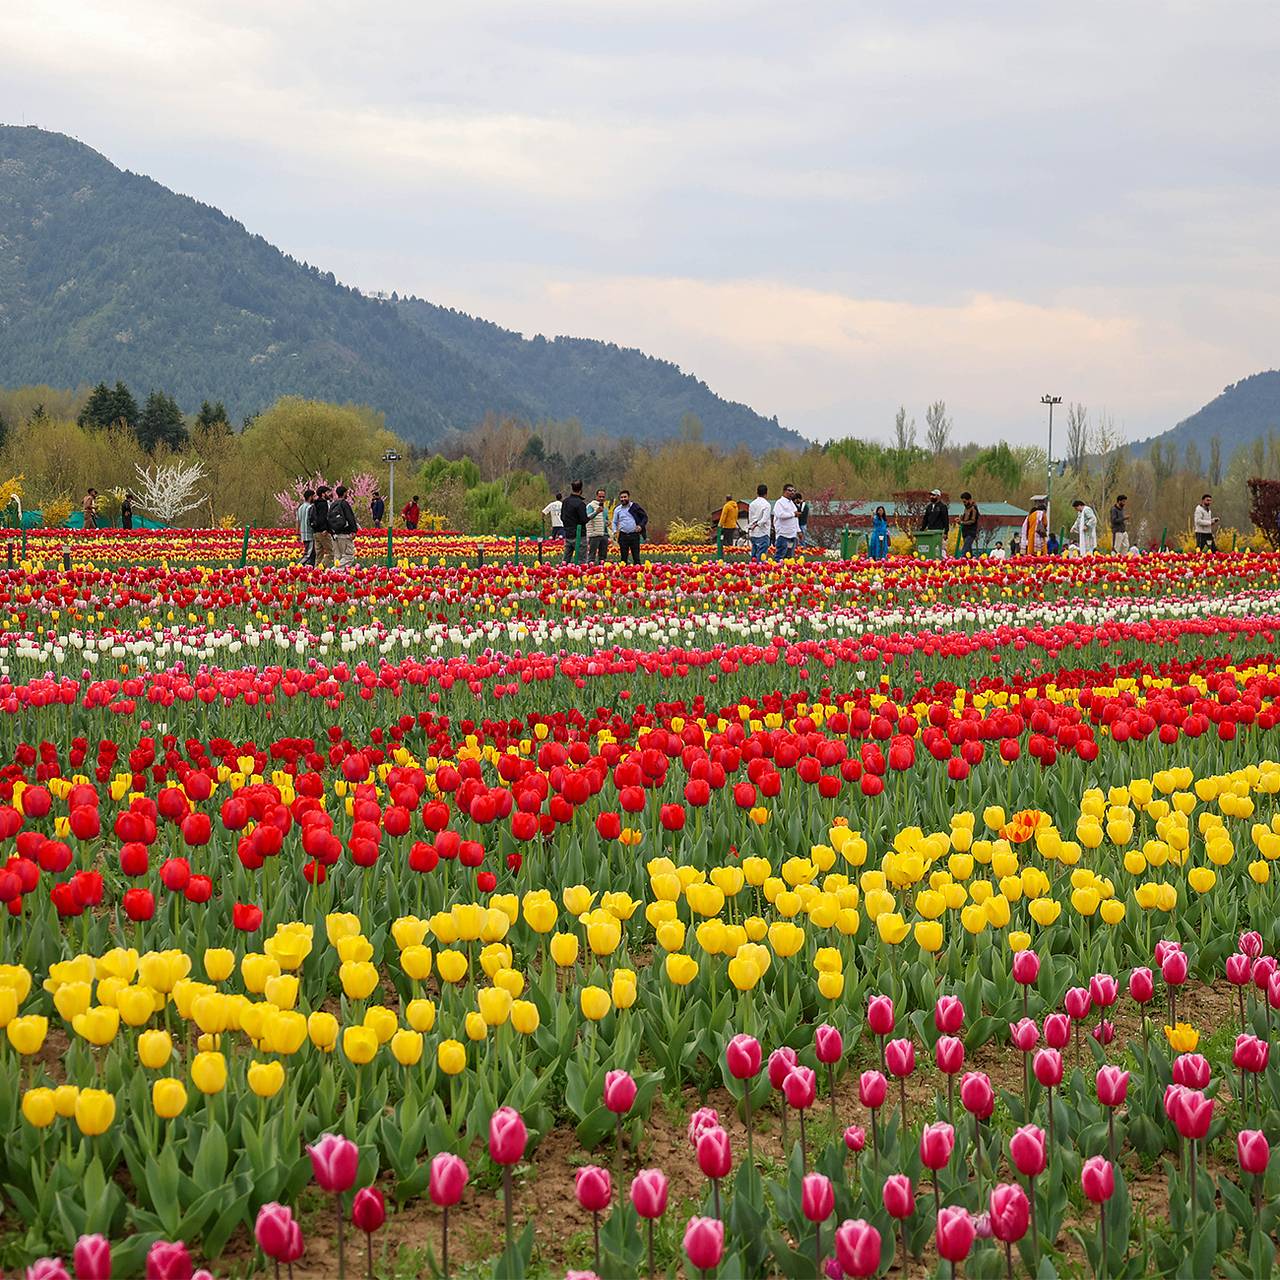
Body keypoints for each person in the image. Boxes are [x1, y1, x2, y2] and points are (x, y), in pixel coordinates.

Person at [330, 484, 358, 568]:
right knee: (348, 556)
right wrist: (354, 530)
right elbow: (350, 517)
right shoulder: (344, 504)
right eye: (347, 493)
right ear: (344, 493)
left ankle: (336, 577)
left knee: (338, 557)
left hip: (335, 534)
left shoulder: (333, 504)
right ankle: (333, 571)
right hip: (345, 534)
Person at [612, 490, 645, 564]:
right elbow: (614, 522)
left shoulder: (635, 507)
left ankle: (638, 573)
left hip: (634, 535)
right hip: (623, 535)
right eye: (621, 497)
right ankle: (624, 574)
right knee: (623, 559)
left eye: (625, 497)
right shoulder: (617, 509)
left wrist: (640, 526)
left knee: (636, 558)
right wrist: (614, 532)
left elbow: (644, 517)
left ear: (628, 497)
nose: (623, 499)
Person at [561, 480, 589, 563]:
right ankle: (580, 576)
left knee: (565, 560)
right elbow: (584, 520)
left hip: (568, 534)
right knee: (581, 561)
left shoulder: (565, 502)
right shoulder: (580, 504)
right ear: (581, 490)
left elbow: (562, 517)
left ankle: (563, 574)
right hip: (579, 535)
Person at [772, 483, 800, 560]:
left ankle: (786, 571)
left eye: (793, 491)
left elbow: (795, 518)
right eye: (790, 490)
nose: (792, 492)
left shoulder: (792, 504)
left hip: (792, 535)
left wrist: (798, 531)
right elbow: (780, 515)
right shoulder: (779, 502)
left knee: (789, 557)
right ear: (784, 491)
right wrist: (793, 514)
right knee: (780, 556)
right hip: (783, 535)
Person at [310, 486, 333, 568]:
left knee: (319, 554)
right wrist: (325, 528)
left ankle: (315, 573)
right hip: (323, 532)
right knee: (331, 553)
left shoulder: (315, 504)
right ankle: (320, 568)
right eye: (327, 492)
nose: (329, 494)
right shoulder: (323, 504)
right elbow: (323, 517)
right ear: (323, 494)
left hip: (315, 532)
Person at [747, 484, 771, 563]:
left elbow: (750, 518)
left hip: (753, 533)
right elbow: (764, 519)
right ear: (766, 493)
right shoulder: (767, 505)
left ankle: (752, 570)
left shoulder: (752, 504)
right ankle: (759, 572)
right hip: (763, 532)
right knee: (761, 556)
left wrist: (752, 525)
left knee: (754, 554)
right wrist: (757, 524)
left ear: (757, 492)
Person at [586, 488, 609, 564]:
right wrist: (596, 512)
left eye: (603, 497)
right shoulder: (590, 506)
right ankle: (590, 570)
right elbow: (588, 517)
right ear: (596, 496)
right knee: (592, 555)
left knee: (603, 556)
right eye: (600, 496)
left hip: (604, 534)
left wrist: (607, 522)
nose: (601, 498)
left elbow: (605, 519)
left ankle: (602, 570)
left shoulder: (605, 508)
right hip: (594, 534)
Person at [957, 491, 980, 557]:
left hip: (971, 532)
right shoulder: (966, 508)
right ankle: (972, 562)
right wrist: (960, 520)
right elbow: (964, 518)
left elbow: (973, 520)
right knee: (968, 551)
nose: (964, 503)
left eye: (965, 502)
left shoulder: (973, 508)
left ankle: (960, 562)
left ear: (969, 500)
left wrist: (962, 522)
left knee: (965, 550)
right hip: (965, 532)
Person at [297, 488, 315, 565]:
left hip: (303, 534)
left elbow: (297, 521)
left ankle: (310, 567)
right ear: (310, 497)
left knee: (312, 554)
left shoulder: (300, 507)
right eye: (314, 496)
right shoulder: (310, 507)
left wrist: (297, 533)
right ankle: (297, 567)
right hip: (309, 533)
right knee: (308, 554)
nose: (315, 498)